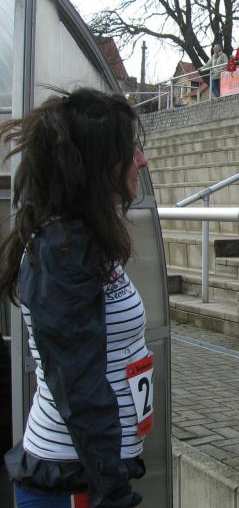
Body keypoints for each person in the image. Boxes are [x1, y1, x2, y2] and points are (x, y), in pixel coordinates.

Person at [1, 88, 151, 508]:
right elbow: (78, 384)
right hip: (72, 479)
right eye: (131, 150)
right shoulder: (62, 251)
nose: (142, 160)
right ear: (99, 164)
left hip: (90, 471)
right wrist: (111, 488)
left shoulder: (84, 239)